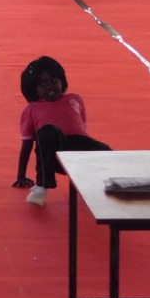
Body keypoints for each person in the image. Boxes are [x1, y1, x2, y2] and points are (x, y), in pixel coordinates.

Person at [13, 56, 110, 207]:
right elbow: (27, 144)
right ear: (33, 89)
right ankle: (42, 185)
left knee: (108, 152)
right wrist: (21, 176)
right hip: (54, 155)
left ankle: (110, 183)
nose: (50, 87)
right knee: (47, 132)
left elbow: (81, 128)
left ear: (62, 81)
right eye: (43, 84)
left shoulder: (75, 99)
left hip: (79, 148)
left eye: (54, 81)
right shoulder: (32, 109)